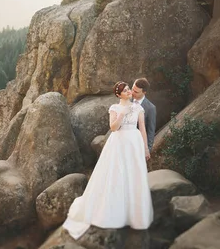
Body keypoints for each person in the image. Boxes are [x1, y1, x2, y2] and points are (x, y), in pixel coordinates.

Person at [62, 81, 153, 240]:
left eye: (128, 89)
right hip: (118, 143)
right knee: (116, 174)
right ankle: (114, 211)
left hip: (134, 141)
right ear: (118, 95)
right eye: (125, 91)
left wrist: (146, 148)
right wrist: (123, 113)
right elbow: (113, 127)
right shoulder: (114, 108)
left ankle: (134, 214)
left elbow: (143, 128)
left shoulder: (138, 108)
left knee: (134, 175)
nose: (128, 92)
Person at [131, 78, 156, 151]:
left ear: (144, 92)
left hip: (138, 145)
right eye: (132, 89)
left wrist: (148, 149)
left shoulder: (150, 108)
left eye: (136, 92)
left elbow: (151, 131)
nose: (132, 92)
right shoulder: (126, 100)